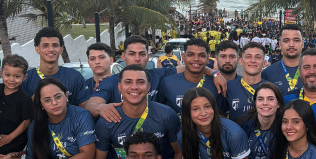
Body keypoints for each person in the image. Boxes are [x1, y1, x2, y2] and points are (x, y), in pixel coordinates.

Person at [87, 35, 227, 122]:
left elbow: (192, 65)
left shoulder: (158, 74)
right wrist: (101, 108)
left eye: (142, 54)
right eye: (132, 54)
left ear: (148, 57)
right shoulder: (110, 81)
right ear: (123, 56)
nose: (137, 58)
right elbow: (91, 106)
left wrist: (215, 73)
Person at [225, 42, 265, 119]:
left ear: (264, 63)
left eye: (258, 57)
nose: (253, 60)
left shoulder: (272, 88)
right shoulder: (228, 87)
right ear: (240, 61)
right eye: (248, 57)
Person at [261, 24, 305, 92]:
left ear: (302, 44)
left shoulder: (315, 73)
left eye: (296, 40)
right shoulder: (266, 74)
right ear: (280, 44)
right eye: (286, 41)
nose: (291, 45)